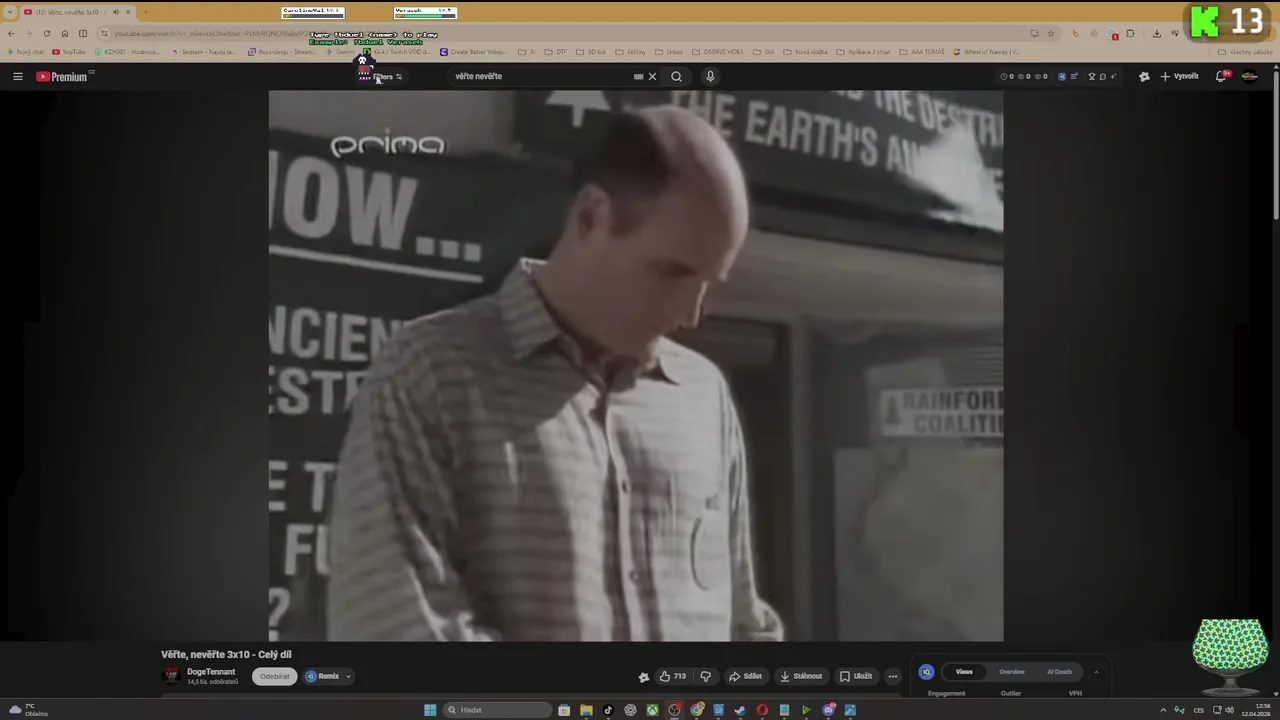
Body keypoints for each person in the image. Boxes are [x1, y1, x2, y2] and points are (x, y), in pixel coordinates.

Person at [326, 105, 784, 641]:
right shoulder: (432, 375)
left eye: (709, 282)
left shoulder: (704, 397)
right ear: (591, 216)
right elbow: (399, 628)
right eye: (672, 273)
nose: (691, 314)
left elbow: (742, 620)